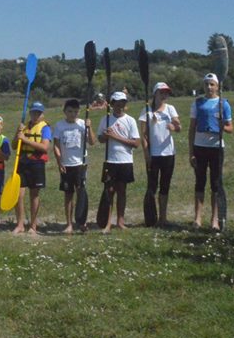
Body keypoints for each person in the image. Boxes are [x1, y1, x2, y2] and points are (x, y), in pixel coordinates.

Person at [187, 74, 233, 229]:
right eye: (206, 84)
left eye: (212, 84)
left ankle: (215, 219)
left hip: (216, 148)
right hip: (200, 147)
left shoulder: (223, 104)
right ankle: (197, 218)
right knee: (199, 182)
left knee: (215, 184)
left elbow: (230, 128)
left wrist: (222, 127)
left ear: (217, 86)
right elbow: (192, 128)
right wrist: (191, 151)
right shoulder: (197, 103)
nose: (209, 87)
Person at [97, 92, 140, 233]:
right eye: (117, 102)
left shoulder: (130, 120)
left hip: (125, 161)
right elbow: (100, 139)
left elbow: (136, 143)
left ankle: (120, 221)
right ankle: (107, 223)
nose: (120, 105)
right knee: (109, 191)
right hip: (110, 161)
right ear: (112, 104)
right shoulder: (106, 119)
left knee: (122, 191)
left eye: (123, 102)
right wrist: (105, 136)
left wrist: (115, 136)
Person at [139, 82, 181, 226]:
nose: (164, 95)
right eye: (161, 92)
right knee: (152, 186)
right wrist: (146, 154)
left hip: (168, 153)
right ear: (155, 94)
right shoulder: (146, 111)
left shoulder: (170, 109)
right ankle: (151, 217)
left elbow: (178, 126)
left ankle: (163, 217)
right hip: (153, 154)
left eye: (166, 93)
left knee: (165, 186)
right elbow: (143, 135)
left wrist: (174, 127)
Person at [13, 102, 52, 235]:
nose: (35, 115)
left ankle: (33, 225)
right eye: (33, 112)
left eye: (38, 113)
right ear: (30, 113)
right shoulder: (24, 127)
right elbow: (14, 146)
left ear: (42, 114)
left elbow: (45, 147)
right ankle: (20, 224)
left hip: (36, 164)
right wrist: (17, 134)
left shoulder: (45, 128)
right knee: (18, 195)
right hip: (22, 162)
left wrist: (25, 140)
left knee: (34, 195)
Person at [52, 99, 90, 234]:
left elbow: (91, 142)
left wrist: (88, 128)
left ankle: (82, 221)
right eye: (70, 111)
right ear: (65, 112)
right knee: (68, 195)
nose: (73, 114)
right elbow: (55, 145)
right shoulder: (59, 126)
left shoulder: (82, 124)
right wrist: (59, 161)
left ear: (79, 112)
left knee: (81, 193)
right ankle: (69, 224)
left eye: (75, 111)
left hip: (80, 164)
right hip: (66, 165)